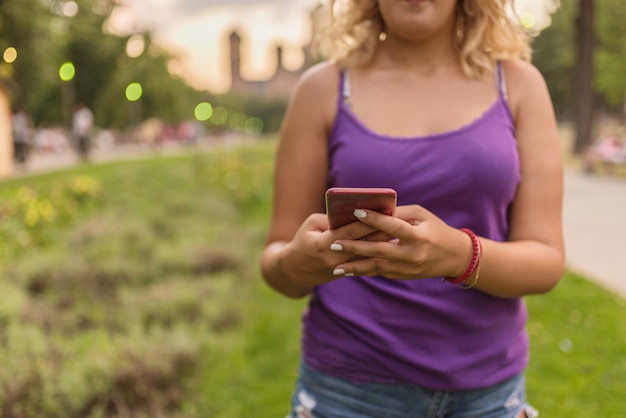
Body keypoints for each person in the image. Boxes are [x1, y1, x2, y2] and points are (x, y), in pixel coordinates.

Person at [260, 0, 564, 417]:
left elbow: (546, 258)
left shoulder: (519, 85)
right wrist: (301, 260)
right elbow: (276, 262)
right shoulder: (322, 89)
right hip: (347, 396)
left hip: (489, 399)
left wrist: (458, 255)